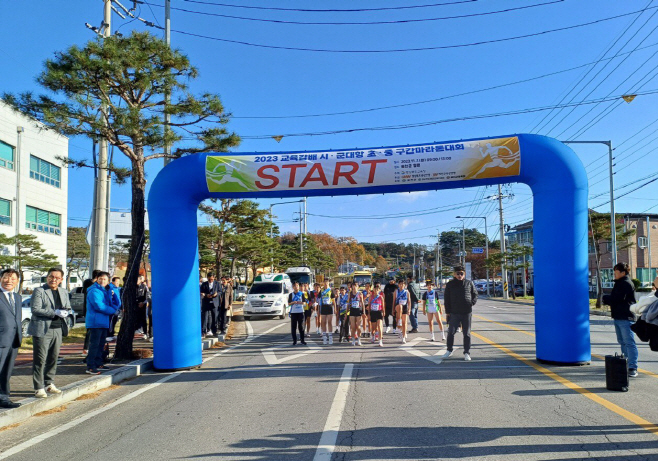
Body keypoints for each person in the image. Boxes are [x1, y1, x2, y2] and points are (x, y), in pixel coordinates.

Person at [28, 268, 71, 398]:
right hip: (42, 329)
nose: (54, 279)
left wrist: (66, 312)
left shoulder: (63, 291)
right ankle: (38, 387)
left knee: (53, 358)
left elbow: (68, 307)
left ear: (61, 279)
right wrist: (54, 312)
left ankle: (49, 383)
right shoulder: (40, 291)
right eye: (51, 276)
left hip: (58, 328)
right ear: (47, 277)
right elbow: (35, 309)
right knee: (40, 359)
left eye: (57, 278)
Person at [603, 262, 639, 378]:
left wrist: (605, 298)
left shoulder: (626, 284)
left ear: (623, 273)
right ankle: (626, 364)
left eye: (616, 272)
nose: (614, 274)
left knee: (629, 343)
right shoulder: (619, 283)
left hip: (626, 317)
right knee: (623, 342)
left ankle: (633, 367)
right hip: (618, 316)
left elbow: (617, 298)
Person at [85, 272, 120, 375]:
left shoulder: (106, 291)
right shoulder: (94, 291)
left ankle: (98, 362)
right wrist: (113, 311)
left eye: (105, 279)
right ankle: (90, 366)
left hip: (104, 321)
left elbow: (116, 304)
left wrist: (113, 294)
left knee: (101, 344)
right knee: (94, 345)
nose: (102, 281)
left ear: (108, 281)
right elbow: (99, 306)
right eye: (100, 279)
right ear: (97, 279)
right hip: (95, 322)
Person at [444, 266, 477, 361]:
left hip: (467, 312)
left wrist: (472, 303)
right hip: (454, 312)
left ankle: (467, 352)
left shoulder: (469, 283)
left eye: (461, 273)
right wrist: (448, 312)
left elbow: (475, 294)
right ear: (454, 274)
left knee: (466, 333)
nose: (459, 275)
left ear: (464, 274)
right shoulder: (450, 284)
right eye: (458, 273)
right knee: (451, 332)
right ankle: (449, 350)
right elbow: (447, 299)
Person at [0, 269, 22, 408]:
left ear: (17, 281)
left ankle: (4, 397)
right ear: (1, 278)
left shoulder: (17, 297)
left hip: (13, 339)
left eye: (13, 278)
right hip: (1, 339)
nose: (9, 281)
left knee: (7, 370)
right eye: (6, 278)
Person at [82, 269, 101, 355]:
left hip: (96, 311)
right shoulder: (88, 283)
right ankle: (86, 348)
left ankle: (93, 348)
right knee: (90, 330)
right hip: (89, 309)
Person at [200, 273, 220, 337]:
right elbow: (201, 292)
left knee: (214, 317)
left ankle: (214, 331)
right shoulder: (204, 284)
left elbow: (221, 291)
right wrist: (206, 295)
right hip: (206, 302)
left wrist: (216, 294)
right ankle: (203, 331)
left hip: (214, 302)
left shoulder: (217, 284)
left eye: (212, 279)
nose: (211, 280)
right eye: (209, 279)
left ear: (214, 278)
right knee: (205, 317)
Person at [319, 280, 335, 345]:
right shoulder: (321, 290)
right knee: (323, 322)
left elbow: (334, 300)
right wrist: (318, 309)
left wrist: (335, 309)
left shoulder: (331, 290)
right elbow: (319, 300)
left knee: (329, 322)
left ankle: (330, 337)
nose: (325, 283)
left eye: (327, 282)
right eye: (324, 282)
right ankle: (324, 336)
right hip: (323, 307)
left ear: (328, 283)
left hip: (329, 307)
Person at [106, 276, 123, 342]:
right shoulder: (110, 288)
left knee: (114, 321)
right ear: (113, 282)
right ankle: (109, 335)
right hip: (113, 308)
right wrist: (114, 307)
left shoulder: (117, 288)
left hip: (117, 308)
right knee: (111, 322)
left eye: (119, 282)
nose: (118, 283)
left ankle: (112, 333)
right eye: (117, 282)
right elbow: (110, 299)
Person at [135, 275, 150, 340]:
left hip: (142, 306)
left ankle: (145, 333)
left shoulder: (144, 286)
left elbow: (147, 296)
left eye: (138, 279)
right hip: (134, 305)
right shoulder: (132, 286)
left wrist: (143, 303)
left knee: (143, 319)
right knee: (134, 319)